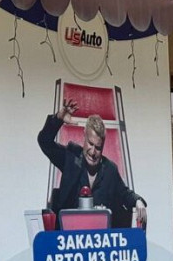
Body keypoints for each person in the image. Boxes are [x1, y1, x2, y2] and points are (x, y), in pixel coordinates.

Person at [37, 97, 146, 228]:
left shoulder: (110, 169)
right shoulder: (71, 158)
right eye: (90, 144)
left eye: (98, 147)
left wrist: (138, 201)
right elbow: (44, 141)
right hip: (68, 239)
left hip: (98, 241)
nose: (93, 152)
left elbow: (125, 194)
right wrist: (58, 118)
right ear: (84, 137)